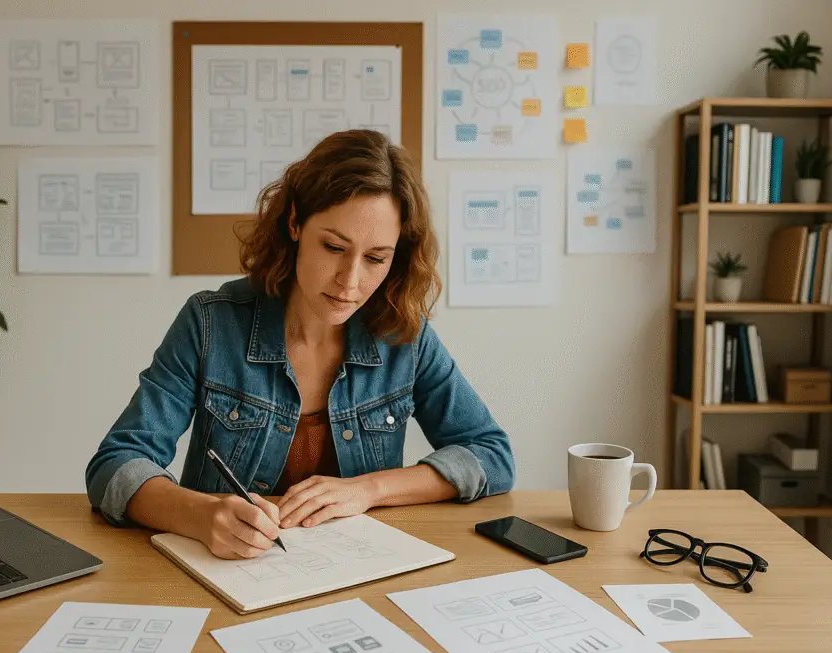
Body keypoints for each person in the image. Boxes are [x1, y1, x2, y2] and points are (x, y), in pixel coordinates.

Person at [85, 129, 514, 560]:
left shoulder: (405, 336)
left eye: (376, 258)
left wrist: (369, 489)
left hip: (357, 572)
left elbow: (492, 455)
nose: (350, 282)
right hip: (230, 573)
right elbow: (115, 464)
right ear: (294, 222)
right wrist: (198, 514)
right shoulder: (211, 324)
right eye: (333, 247)